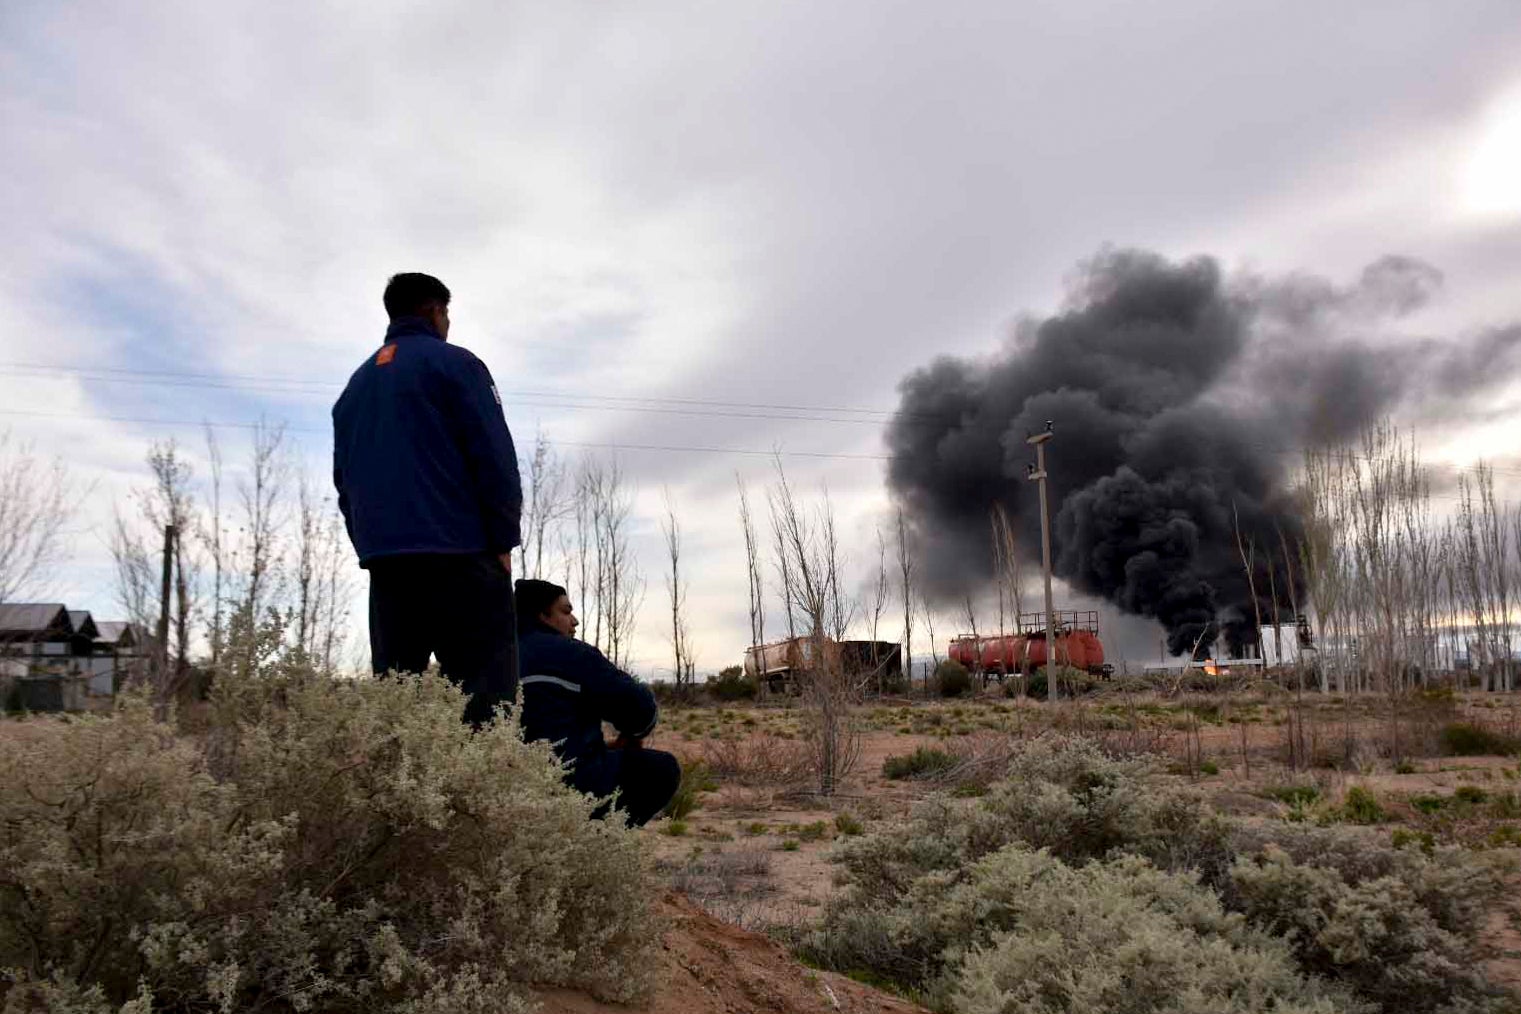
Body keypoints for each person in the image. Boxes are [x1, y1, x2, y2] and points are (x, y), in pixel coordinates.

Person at [332, 272, 522, 725]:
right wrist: (502, 540)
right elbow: (493, 455)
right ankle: (485, 796)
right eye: (446, 314)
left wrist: (371, 549)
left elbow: (345, 484)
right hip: (460, 556)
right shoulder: (457, 364)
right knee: (487, 704)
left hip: (389, 567)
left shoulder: (354, 390)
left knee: (399, 709)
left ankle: (403, 797)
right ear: (435, 311)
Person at [515, 578, 681, 827]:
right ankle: (598, 847)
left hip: (506, 787)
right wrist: (632, 735)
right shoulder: (571, 653)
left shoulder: (488, 658)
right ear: (542, 614)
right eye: (566, 611)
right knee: (661, 769)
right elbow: (639, 709)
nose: (575, 621)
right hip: (571, 784)